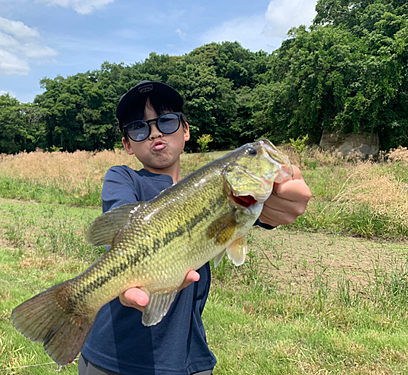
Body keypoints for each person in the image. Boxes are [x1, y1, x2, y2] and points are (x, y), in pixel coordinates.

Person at [79, 81, 312, 375]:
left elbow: (252, 214)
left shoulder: (227, 196)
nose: (154, 132)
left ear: (185, 130)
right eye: (139, 128)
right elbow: (119, 221)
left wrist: (277, 204)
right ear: (127, 144)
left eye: (166, 120)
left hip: (189, 359)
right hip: (112, 357)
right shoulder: (123, 178)